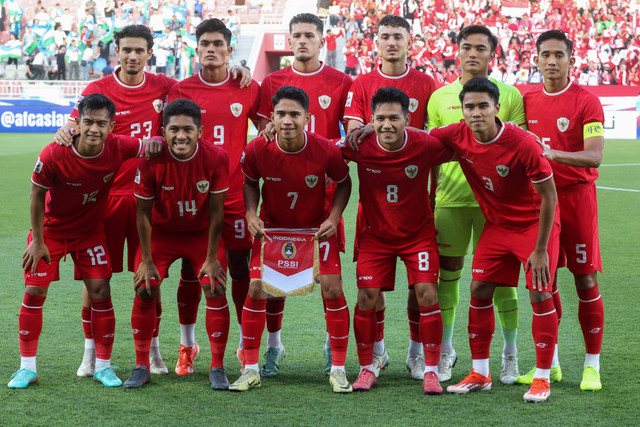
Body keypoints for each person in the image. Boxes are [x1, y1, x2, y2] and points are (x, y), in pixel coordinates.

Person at [55, 25, 177, 378]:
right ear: (117, 52)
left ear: (150, 53)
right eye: (126, 50)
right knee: (94, 281)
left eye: (139, 50)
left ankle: (153, 352)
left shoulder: (164, 88)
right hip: (103, 199)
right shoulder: (97, 89)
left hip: (147, 201)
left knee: (149, 279)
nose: (133, 56)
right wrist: (65, 128)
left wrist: (238, 70)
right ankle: (90, 355)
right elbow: (76, 125)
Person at [429, 77, 560, 403]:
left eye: (483, 106)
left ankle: (542, 377)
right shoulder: (457, 135)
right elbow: (416, 139)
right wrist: (374, 130)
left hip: (534, 227)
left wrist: (541, 249)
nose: (476, 113)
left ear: (496, 108)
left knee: (540, 293)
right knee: (479, 289)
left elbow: (549, 197)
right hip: (498, 226)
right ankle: (481, 372)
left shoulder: (522, 143)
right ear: (462, 110)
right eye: (469, 107)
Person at [7, 94, 149, 389]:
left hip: (89, 233)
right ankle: (27, 368)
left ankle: (104, 366)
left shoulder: (119, 146)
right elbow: (35, 195)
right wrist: (37, 240)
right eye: (88, 122)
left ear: (112, 126)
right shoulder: (53, 153)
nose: (94, 129)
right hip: (50, 232)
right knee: (34, 290)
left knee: (101, 290)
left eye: (101, 123)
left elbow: (150, 146)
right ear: (77, 122)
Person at [229, 86, 353, 393]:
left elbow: (344, 182)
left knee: (333, 287)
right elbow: (249, 181)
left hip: (314, 231)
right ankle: (250, 368)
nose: (287, 120)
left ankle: (338, 368)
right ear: (271, 117)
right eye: (281, 114)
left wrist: (334, 218)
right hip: (272, 229)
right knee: (257, 289)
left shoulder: (324, 149)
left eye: (295, 114)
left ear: (307, 118)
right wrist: (251, 213)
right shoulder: (258, 148)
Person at [255, 12, 353, 377]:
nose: (301, 41)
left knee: (330, 280)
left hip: (324, 197)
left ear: (321, 40)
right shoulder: (272, 82)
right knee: (274, 280)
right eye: (295, 35)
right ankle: (273, 349)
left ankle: (333, 348)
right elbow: (265, 135)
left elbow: (348, 134)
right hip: (280, 196)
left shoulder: (341, 82)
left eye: (309, 35)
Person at [426, 25, 525, 384]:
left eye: (480, 48)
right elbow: (430, 152)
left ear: (491, 53)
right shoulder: (439, 97)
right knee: (447, 278)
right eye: (466, 47)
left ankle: (509, 355)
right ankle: (447, 350)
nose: (472, 54)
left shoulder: (510, 96)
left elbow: (516, 149)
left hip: (496, 208)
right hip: (450, 202)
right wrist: (430, 194)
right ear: (456, 51)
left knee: (502, 283)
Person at [340, 87, 454, 394]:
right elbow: (321, 150)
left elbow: (461, 140)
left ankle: (430, 370)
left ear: (407, 118)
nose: (387, 124)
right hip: (376, 235)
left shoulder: (424, 143)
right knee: (366, 297)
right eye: (379, 118)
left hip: (418, 235)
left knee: (427, 293)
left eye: (394, 118)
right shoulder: (359, 144)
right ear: (370, 120)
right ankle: (367, 368)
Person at [343, 14, 437, 381]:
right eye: (385, 36)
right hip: (374, 215)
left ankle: (420, 357)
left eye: (398, 36)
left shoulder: (426, 83)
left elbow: (438, 136)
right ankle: (375, 357)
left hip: (417, 206)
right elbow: (352, 135)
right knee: (370, 291)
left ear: (409, 41)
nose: (392, 42)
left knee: (423, 289)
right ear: (376, 42)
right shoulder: (362, 82)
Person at [167, 18, 260, 377]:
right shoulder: (180, 90)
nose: (211, 49)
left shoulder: (247, 87)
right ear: (196, 48)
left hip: (235, 197)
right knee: (192, 273)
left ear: (228, 48)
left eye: (218, 44)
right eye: (204, 43)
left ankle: (241, 341)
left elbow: (267, 127)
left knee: (239, 270)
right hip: (192, 198)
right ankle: (188, 345)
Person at [518, 30, 605, 392]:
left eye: (558, 55)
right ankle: (549, 364)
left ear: (572, 59)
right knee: (543, 280)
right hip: (540, 202)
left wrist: (551, 154)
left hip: (577, 199)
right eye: (545, 55)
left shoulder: (587, 101)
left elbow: (594, 155)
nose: (551, 61)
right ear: (535, 59)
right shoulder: (525, 98)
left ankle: (592, 366)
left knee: (584, 280)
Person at [122, 99, 230, 389]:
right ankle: (141, 365)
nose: (180, 136)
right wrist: (145, 260)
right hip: (162, 233)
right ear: (163, 131)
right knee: (145, 288)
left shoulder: (217, 157)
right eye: (173, 130)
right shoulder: (150, 160)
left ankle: (217, 367)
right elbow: (142, 213)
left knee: (214, 283)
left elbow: (217, 212)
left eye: (188, 129)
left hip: (201, 233)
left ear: (200, 131)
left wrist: (211, 257)